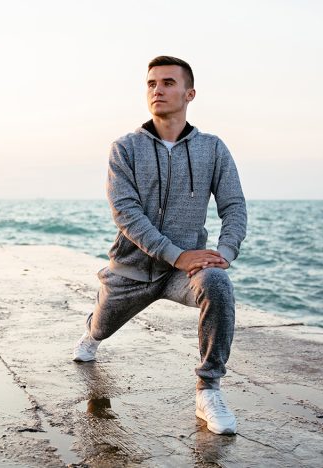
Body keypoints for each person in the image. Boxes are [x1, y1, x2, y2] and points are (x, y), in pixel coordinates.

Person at [72, 56, 247, 435]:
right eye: (151, 84)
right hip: (131, 271)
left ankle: (209, 389)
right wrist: (177, 254)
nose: (158, 90)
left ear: (189, 93)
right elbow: (126, 213)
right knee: (100, 329)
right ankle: (90, 331)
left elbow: (233, 206)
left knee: (217, 284)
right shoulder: (125, 148)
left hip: (184, 274)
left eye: (168, 82)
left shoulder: (213, 149)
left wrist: (224, 254)